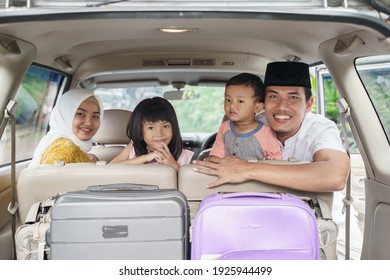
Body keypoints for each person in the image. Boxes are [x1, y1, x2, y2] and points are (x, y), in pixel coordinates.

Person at [194, 61, 350, 193]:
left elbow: (336, 175)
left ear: (308, 104)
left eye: (293, 97)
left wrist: (247, 169)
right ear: (262, 104)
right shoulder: (253, 123)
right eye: (274, 96)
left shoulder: (319, 128)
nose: (282, 106)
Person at [210, 72, 282, 161]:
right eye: (228, 100)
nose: (232, 105)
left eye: (240, 101)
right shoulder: (224, 127)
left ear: (258, 107)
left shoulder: (266, 132)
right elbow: (216, 155)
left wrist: (268, 160)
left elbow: (276, 158)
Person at [110, 97, 194, 171]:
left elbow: (188, 184)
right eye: (151, 128)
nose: (160, 134)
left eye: (165, 126)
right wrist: (145, 158)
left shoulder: (183, 156)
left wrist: (174, 166)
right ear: (140, 132)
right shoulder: (133, 148)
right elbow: (110, 168)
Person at [28, 88, 104, 168]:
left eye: (95, 116)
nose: (89, 122)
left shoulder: (62, 145)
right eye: (80, 114)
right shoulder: (64, 150)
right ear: (64, 116)